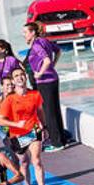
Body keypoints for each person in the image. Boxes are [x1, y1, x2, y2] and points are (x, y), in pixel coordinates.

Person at [0, 68, 48, 185]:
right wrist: (16, 124)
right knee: (24, 162)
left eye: (22, 75)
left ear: (25, 77)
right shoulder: (10, 99)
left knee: (36, 160)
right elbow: (0, 120)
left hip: (33, 130)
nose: (20, 77)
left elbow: (40, 111)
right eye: (16, 76)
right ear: (13, 81)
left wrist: (44, 126)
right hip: (17, 135)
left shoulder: (35, 94)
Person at [23, 22, 67, 152]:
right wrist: (53, 65)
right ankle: (61, 140)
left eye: (25, 32)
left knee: (49, 112)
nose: (24, 35)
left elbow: (46, 60)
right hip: (53, 78)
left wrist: (40, 73)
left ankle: (56, 143)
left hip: (45, 81)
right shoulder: (44, 41)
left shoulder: (36, 45)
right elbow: (58, 51)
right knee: (55, 110)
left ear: (32, 32)